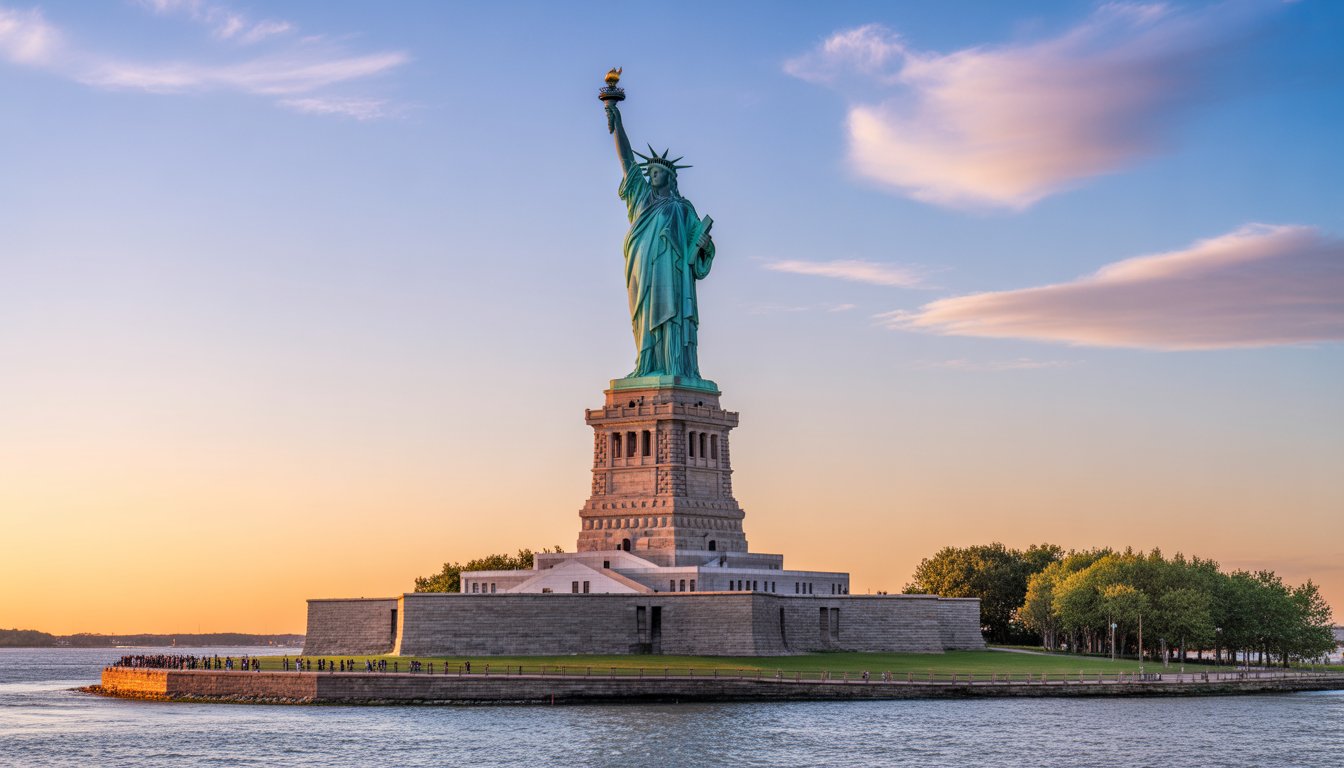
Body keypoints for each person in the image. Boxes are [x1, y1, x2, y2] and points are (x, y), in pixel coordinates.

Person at [604, 100, 715, 380]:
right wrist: (617, 123)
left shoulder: (682, 207)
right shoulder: (640, 198)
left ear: (669, 177)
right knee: (644, 319)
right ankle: (647, 364)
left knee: (674, 317)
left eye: (658, 172)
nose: (652, 176)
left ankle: (676, 367)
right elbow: (627, 162)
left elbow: (699, 244)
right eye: (650, 172)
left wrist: (703, 246)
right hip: (644, 268)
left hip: (674, 273)